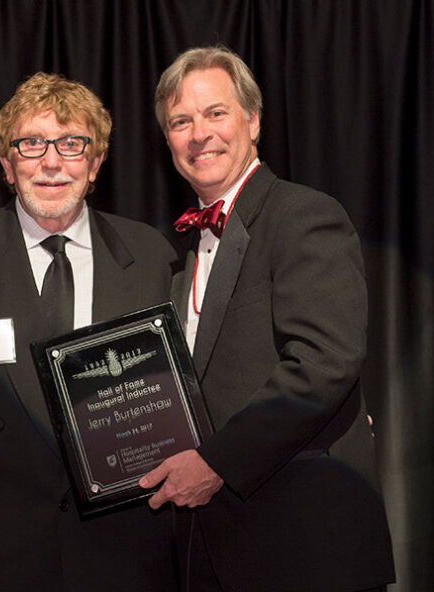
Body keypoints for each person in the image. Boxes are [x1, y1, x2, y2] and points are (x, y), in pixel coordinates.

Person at [0, 72, 178, 591]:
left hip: (123, 551)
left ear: (95, 164)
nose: (52, 162)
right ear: (7, 165)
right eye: (32, 144)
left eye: (72, 144)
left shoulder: (153, 258)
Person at [140, 45, 396, 591]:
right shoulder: (180, 253)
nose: (199, 133)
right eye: (180, 121)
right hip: (211, 552)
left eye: (215, 113)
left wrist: (216, 462)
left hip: (304, 548)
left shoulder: (304, 215)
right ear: (168, 142)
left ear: (252, 121)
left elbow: (324, 362)